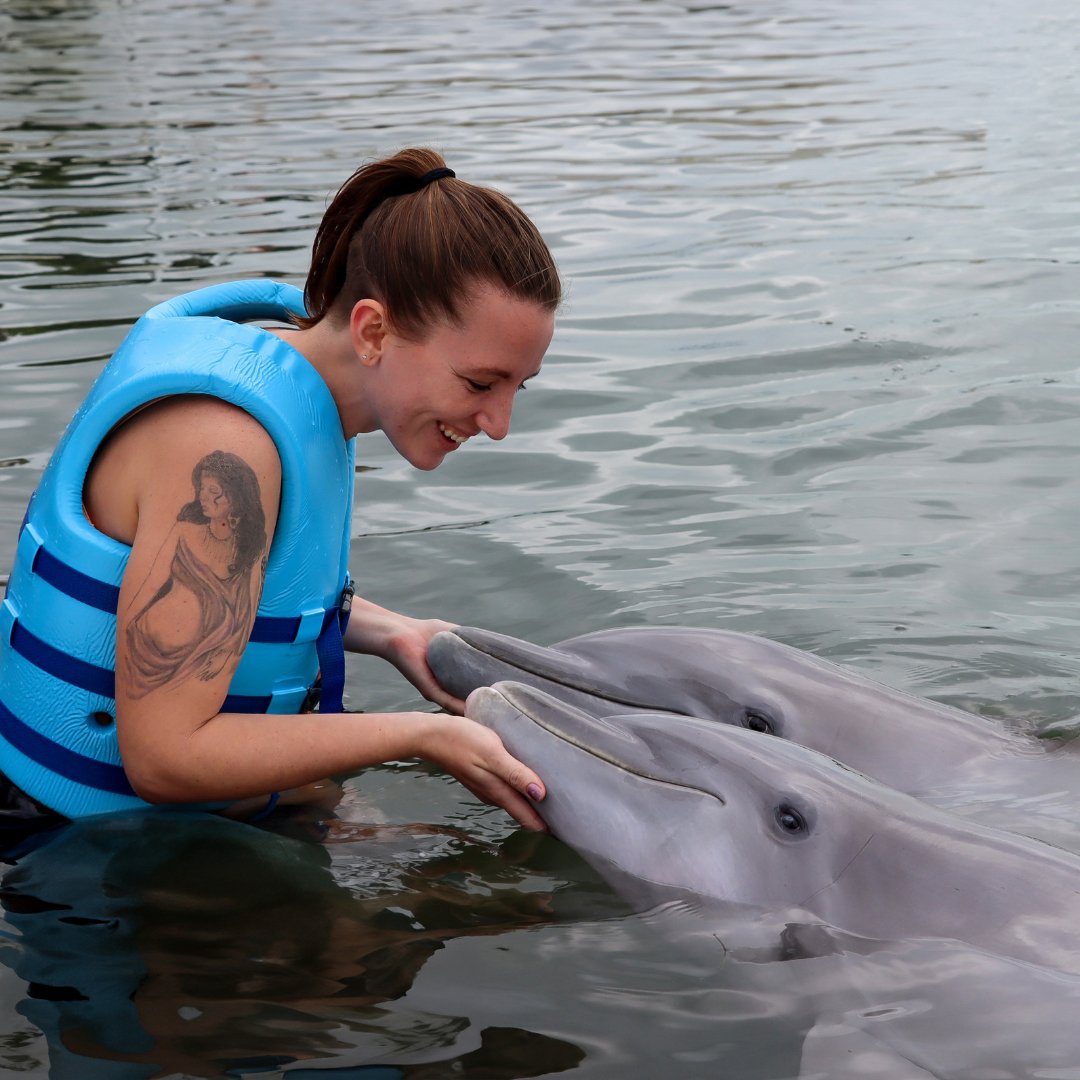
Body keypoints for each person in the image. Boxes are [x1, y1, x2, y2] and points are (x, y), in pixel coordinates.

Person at [0, 147, 559, 834]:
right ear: (374, 331)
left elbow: (222, 592)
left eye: (515, 388)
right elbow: (164, 758)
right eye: (479, 384)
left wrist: (398, 635)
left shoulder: (301, 393)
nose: (499, 425)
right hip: (70, 851)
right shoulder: (225, 448)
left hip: (198, 816)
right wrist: (423, 734)